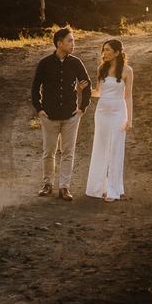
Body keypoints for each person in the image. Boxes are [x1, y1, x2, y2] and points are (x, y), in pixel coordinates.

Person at [31, 27, 91, 201]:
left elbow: (87, 85)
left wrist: (82, 108)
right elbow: (35, 87)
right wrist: (39, 109)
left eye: (73, 41)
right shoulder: (45, 63)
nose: (73, 44)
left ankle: (64, 187)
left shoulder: (76, 63)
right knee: (49, 152)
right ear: (59, 43)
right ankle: (47, 185)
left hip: (71, 116)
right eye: (70, 41)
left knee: (68, 152)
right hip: (49, 116)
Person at [84, 38, 133, 202]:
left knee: (116, 149)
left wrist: (129, 119)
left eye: (107, 50)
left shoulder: (127, 71)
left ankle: (113, 190)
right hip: (102, 112)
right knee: (101, 146)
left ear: (117, 53)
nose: (104, 53)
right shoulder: (101, 69)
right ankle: (98, 188)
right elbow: (98, 92)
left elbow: (128, 96)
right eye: (103, 50)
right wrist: (82, 91)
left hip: (119, 111)